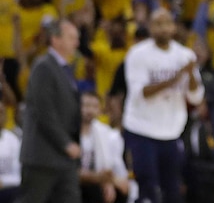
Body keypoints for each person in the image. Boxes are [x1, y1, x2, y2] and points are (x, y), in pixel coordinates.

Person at [122, 9, 204, 203]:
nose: (163, 28)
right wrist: (175, 77)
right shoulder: (138, 54)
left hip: (171, 132)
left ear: (174, 27)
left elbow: (196, 97)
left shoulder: (185, 55)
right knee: (148, 187)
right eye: (158, 23)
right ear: (150, 27)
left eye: (167, 23)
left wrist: (191, 74)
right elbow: (141, 93)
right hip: (141, 129)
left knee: (173, 189)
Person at [19, 19, 82, 203]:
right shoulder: (43, 66)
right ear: (55, 39)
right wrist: (65, 143)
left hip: (64, 159)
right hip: (42, 156)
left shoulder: (65, 69)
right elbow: (44, 111)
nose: (76, 43)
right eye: (71, 38)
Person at [78, 91, 129, 203]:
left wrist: (109, 182)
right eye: (86, 105)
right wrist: (103, 180)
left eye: (94, 106)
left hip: (97, 181)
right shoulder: (69, 132)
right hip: (74, 180)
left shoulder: (106, 133)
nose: (89, 110)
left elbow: (113, 165)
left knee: (120, 190)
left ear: (100, 110)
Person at [0, 99, 21, 203]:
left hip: (8, 190)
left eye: (2, 112)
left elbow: (19, 176)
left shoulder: (12, 139)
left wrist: (3, 182)